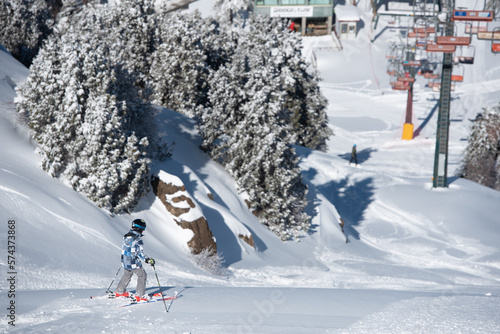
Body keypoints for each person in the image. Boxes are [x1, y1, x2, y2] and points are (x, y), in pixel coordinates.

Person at [114, 219, 155, 302]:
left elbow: (126, 248)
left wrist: (125, 259)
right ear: (139, 228)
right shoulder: (137, 239)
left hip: (124, 260)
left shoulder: (126, 236)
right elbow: (139, 252)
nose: (143, 231)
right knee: (142, 275)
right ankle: (140, 295)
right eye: (143, 229)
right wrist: (147, 260)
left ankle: (120, 291)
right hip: (133, 262)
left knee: (127, 274)